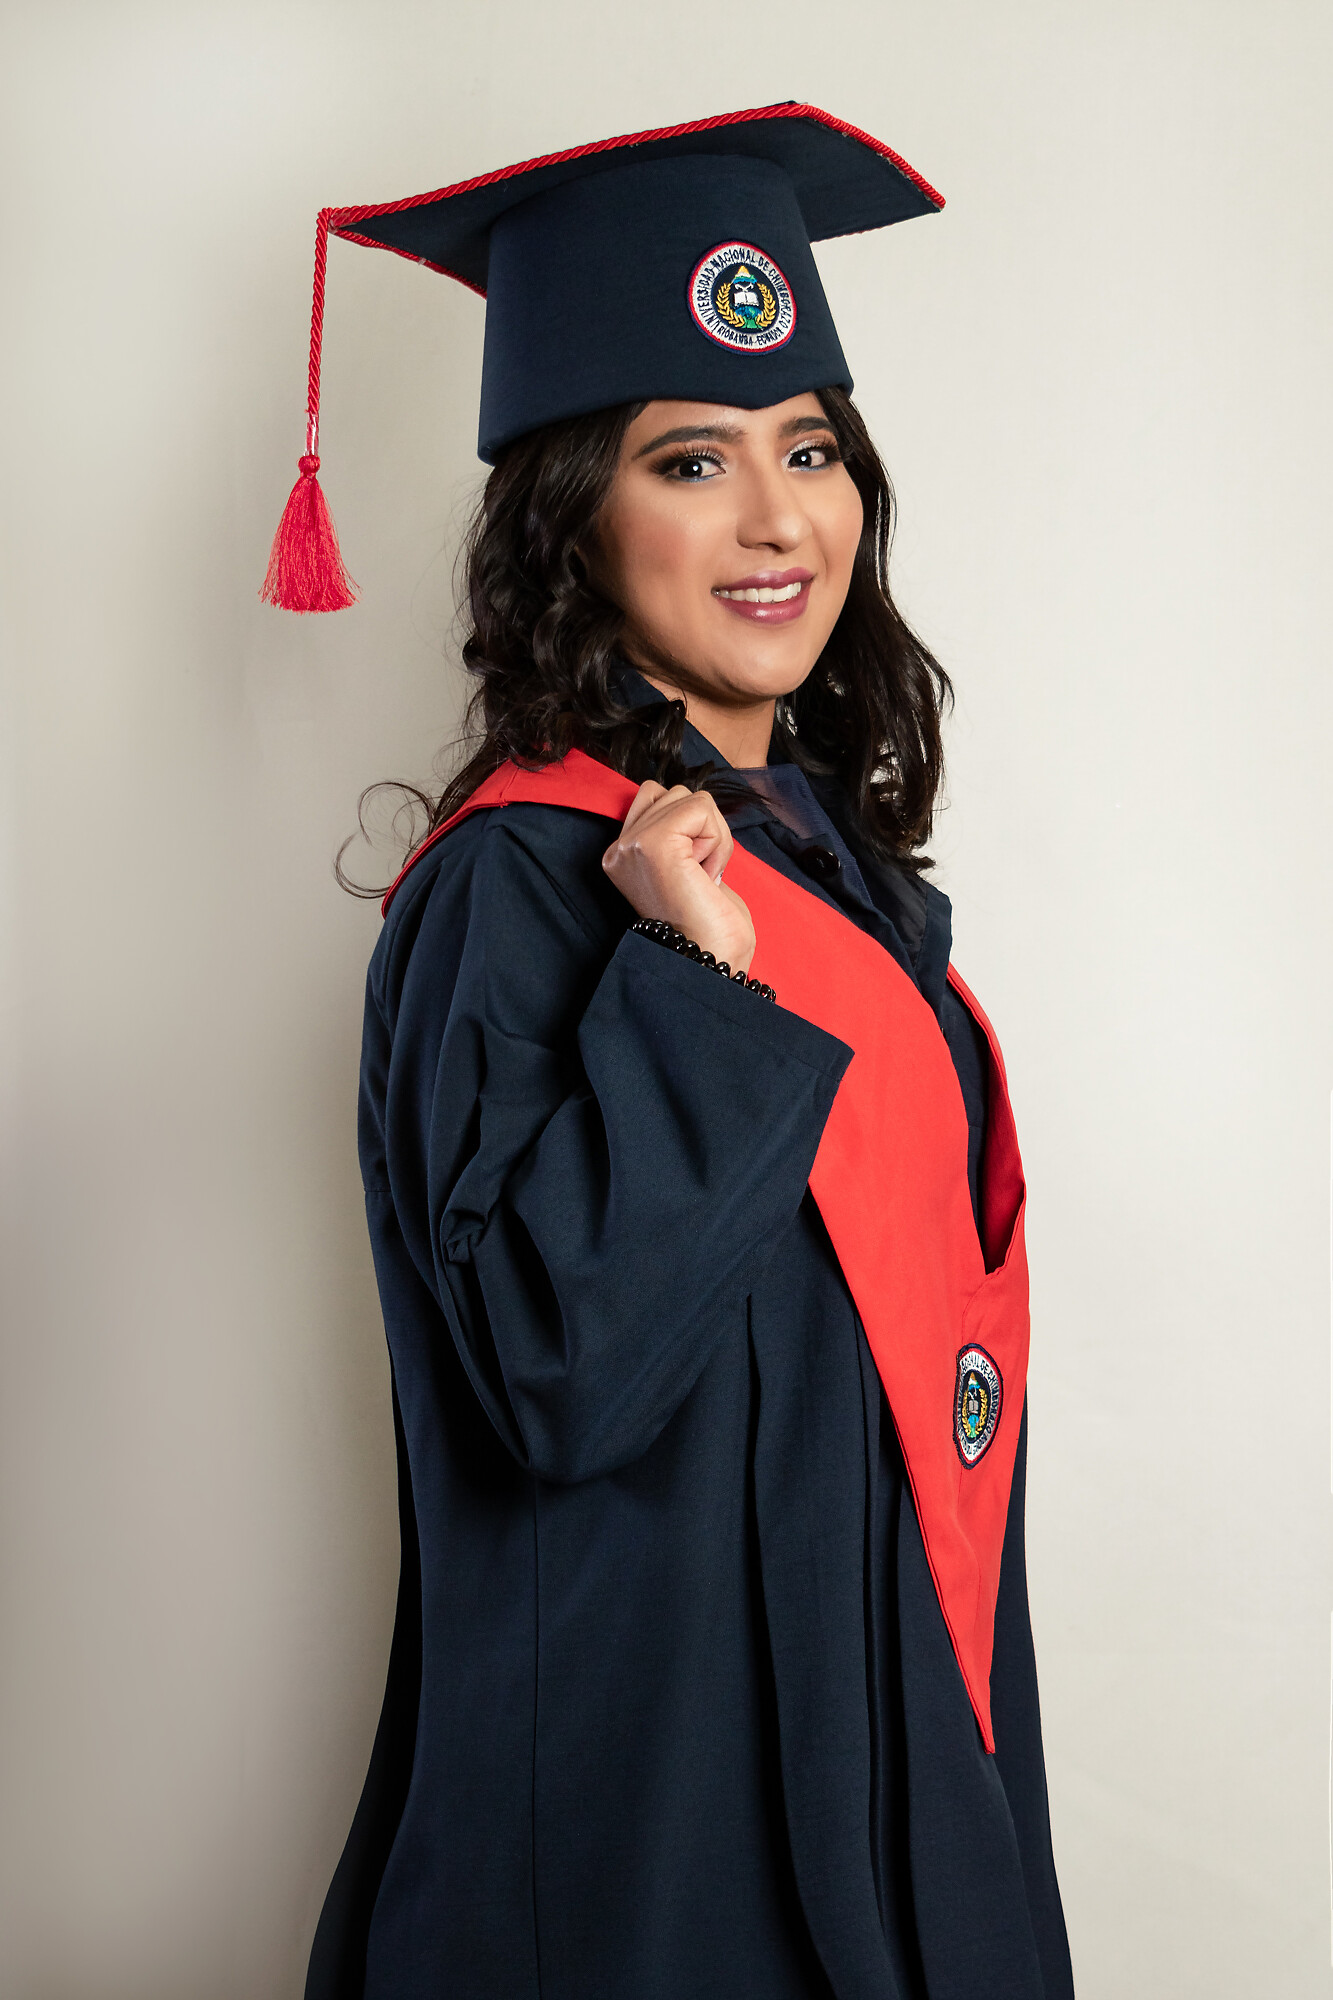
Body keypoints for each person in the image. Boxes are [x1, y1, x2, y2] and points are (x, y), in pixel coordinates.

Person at [270, 104, 1075, 2000]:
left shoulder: (834, 871)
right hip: (654, 1834)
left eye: (810, 449)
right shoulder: (515, 889)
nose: (777, 519)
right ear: (572, 519)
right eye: (692, 460)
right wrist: (689, 982)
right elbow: (556, 1376)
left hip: (890, 1752)